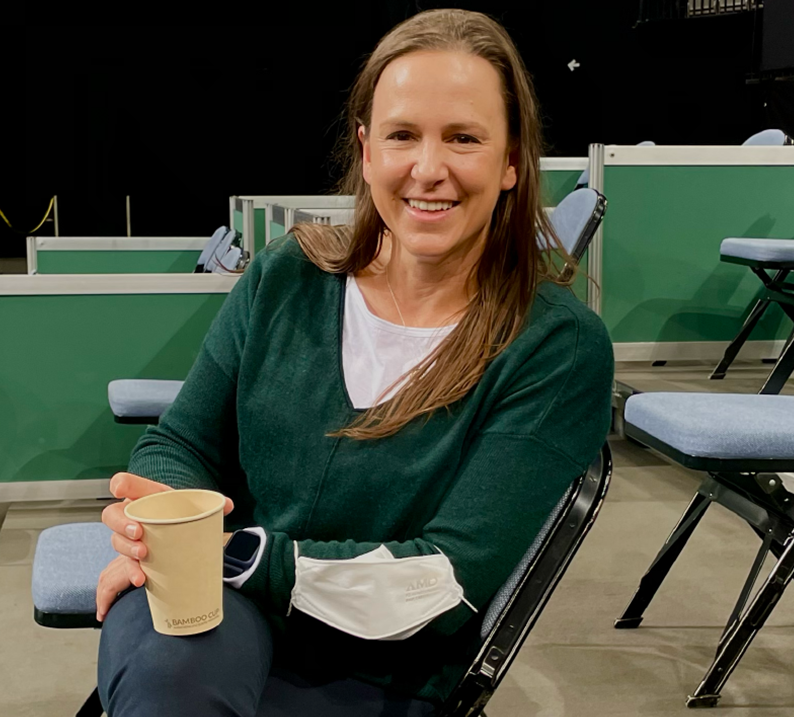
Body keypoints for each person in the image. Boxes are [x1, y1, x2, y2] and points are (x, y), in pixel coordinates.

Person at [95, 8, 614, 716]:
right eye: (402, 135)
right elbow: (180, 443)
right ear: (367, 152)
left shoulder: (556, 346)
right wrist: (161, 534)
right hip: (225, 611)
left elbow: (446, 580)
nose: (428, 169)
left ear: (512, 162)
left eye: (463, 138)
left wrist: (234, 555)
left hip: (383, 668)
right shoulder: (287, 276)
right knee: (169, 679)